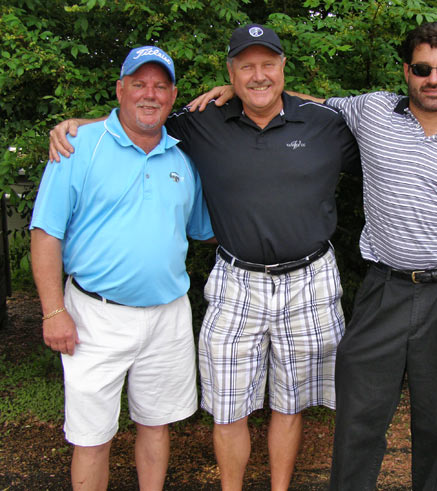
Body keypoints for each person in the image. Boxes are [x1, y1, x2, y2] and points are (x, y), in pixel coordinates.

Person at [49, 25, 361, 491]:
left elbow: (393, 134)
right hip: (236, 279)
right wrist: (77, 125)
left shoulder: (326, 124)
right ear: (230, 74)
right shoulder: (199, 122)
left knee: (291, 403)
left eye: (268, 65)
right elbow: (138, 120)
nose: (259, 76)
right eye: (246, 67)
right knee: (229, 406)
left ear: (283, 68)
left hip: (310, 277)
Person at [191, 20, 437, 490]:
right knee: (359, 417)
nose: (432, 78)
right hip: (384, 288)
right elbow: (301, 104)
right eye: (422, 68)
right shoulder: (372, 111)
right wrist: (236, 89)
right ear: (406, 71)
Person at [31, 46, 213, 490]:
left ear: (172, 96)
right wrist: (53, 311)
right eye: (138, 84)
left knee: (156, 424)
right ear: (120, 89)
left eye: (160, 85)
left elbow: (203, 230)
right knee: (91, 438)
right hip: (94, 315)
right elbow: (45, 234)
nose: (149, 94)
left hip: (167, 314)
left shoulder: (183, 158)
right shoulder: (78, 147)